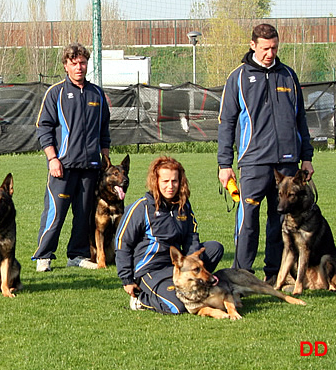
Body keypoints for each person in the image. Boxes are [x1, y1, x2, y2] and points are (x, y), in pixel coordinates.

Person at [218, 23, 314, 283]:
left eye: (274, 48)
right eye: (265, 48)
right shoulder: (237, 77)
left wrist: (307, 157)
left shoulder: (289, 76)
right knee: (248, 219)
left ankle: (274, 274)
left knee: (279, 220)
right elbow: (226, 122)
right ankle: (242, 274)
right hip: (253, 161)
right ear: (253, 46)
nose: (270, 53)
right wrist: (224, 164)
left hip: (288, 164)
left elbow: (301, 119)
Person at [32, 43, 111, 272]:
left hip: (91, 166)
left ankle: (77, 255)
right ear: (66, 66)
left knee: (84, 215)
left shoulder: (97, 94)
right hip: (63, 166)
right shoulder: (55, 93)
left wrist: (104, 159)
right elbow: (43, 127)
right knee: (55, 212)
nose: (79, 67)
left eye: (83, 63)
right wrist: (52, 158)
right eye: (74, 63)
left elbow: (104, 129)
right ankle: (44, 255)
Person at [115, 156, 224, 314]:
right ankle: (141, 299)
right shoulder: (142, 207)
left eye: (174, 181)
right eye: (165, 181)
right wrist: (127, 280)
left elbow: (191, 236)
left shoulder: (183, 205)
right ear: (156, 182)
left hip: (176, 265)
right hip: (150, 269)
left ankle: (196, 285)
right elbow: (122, 243)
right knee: (177, 307)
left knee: (214, 248)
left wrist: (193, 259)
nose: (170, 186)